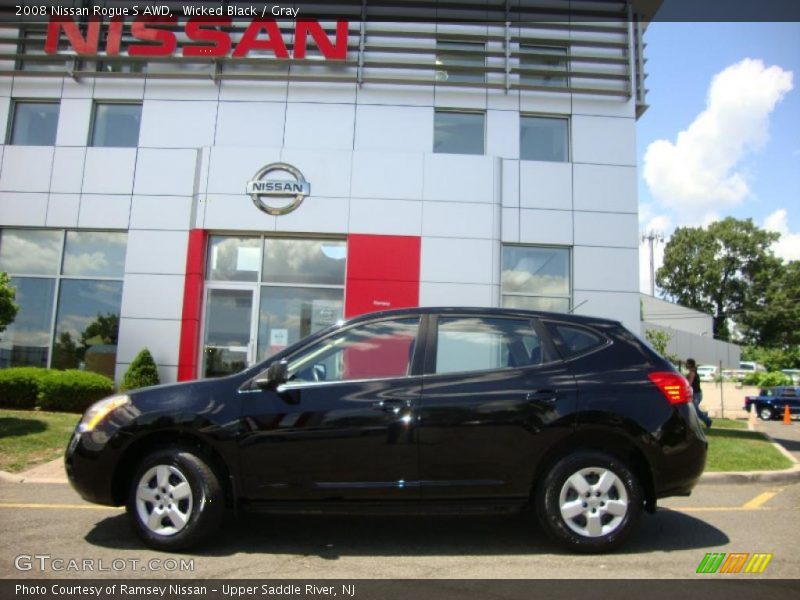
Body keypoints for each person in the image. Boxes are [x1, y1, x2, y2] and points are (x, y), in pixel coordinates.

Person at [686, 358, 712, 429]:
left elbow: (689, 384)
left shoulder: (692, 373)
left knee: (694, 410)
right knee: (694, 410)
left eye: (687, 363)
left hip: (696, 395)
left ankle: (708, 421)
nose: (686, 364)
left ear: (690, 364)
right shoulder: (693, 371)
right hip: (697, 394)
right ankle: (704, 415)